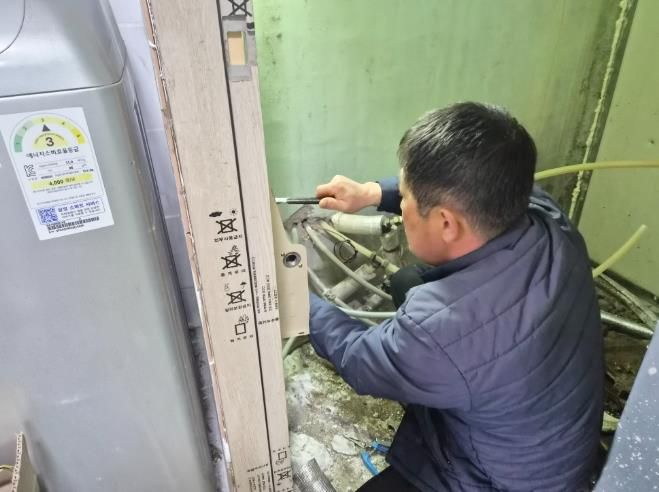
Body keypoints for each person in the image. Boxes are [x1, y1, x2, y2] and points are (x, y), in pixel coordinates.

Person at [309, 102, 603, 491]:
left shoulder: (441, 330)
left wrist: (289, 294)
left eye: (405, 197)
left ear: (447, 222)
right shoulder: (548, 218)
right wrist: (371, 193)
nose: (402, 206)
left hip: (502, 482)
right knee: (409, 281)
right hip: (560, 446)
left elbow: (356, 358)